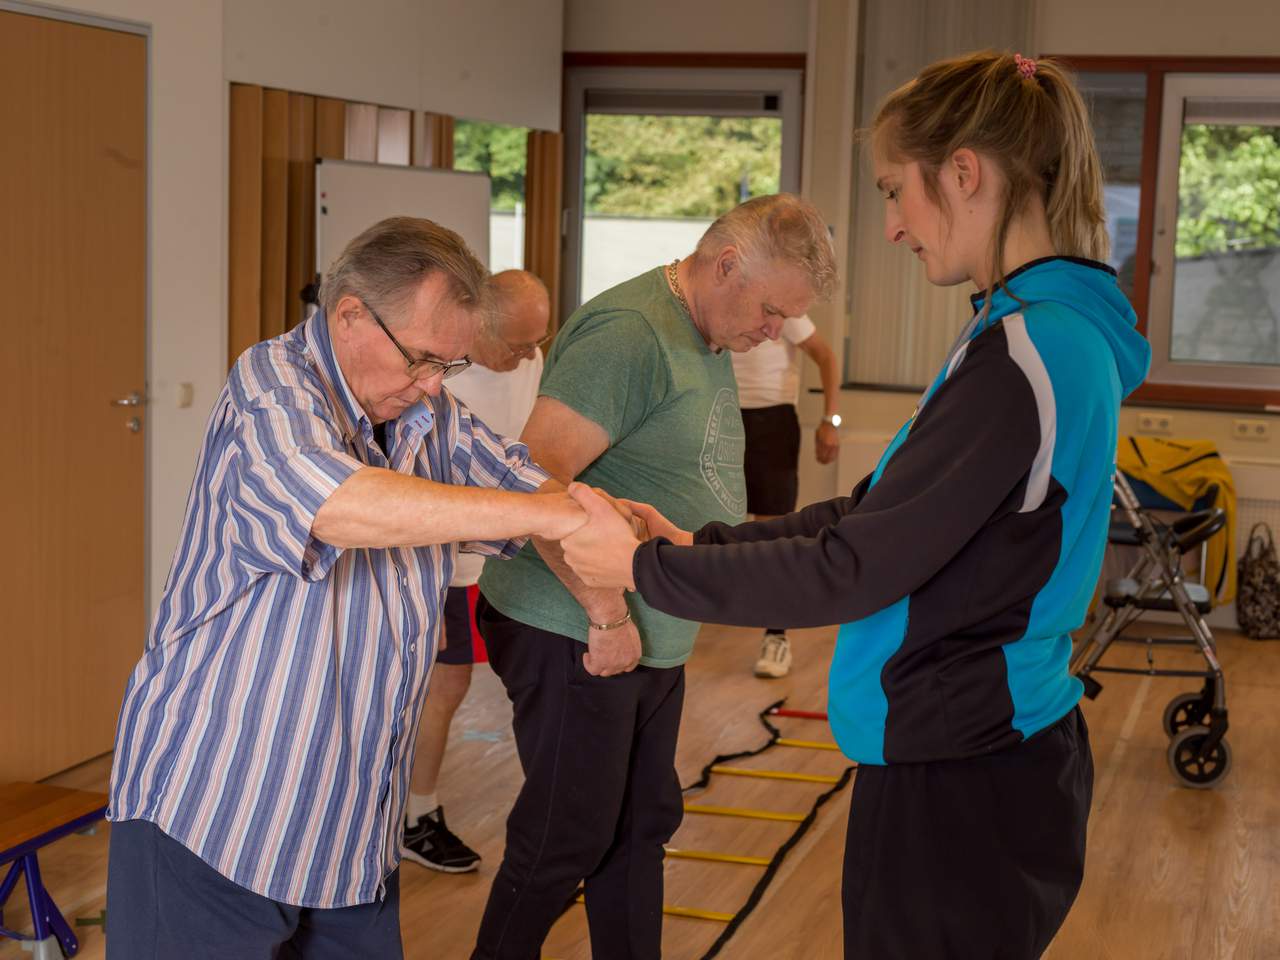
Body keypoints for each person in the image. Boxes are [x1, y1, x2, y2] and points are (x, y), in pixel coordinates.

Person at [561, 51, 1152, 959]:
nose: (889, 227)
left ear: (963, 173)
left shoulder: (1030, 350)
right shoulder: (1024, 330)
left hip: (966, 768)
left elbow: (857, 567)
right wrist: (700, 542)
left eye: (893, 191)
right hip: (971, 749)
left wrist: (646, 570)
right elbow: (867, 516)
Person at [105, 218, 586, 959]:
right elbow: (337, 505)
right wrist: (543, 511)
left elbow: (531, 488)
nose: (432, 385)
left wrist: (610, 580)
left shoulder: (427, 412)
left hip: (346, 820)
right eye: (423, 359)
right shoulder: (270, 386)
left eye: (447, 368)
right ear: (352, 315)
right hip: (216, 804)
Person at [470, 194, 837, 959]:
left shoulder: (703, 329)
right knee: (565, 839)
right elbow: (535, 478)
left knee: (638, 830)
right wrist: (605, 617)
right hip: (573, 626)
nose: (775, 333)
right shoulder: (632, 332)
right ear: (727, 264)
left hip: (645, 630)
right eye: (771, 311)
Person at [402, 269, 551, 873]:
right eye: (516, 342)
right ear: (478, 323)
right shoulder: (437, 377)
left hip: (490, 553)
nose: (526, 356)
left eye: (534, 344)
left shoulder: (528, 358)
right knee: (434, 685)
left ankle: (413, 813)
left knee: (452, 684)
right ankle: (408, 816)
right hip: (431, 554)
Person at [731, 314, 842, 677]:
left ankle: (776, 636)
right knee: (706, 524)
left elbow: (826, 357)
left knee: (773, 533)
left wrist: (831, 421)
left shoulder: (786, 311)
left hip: (773, 421)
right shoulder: (722, 302)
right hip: (722, 413)